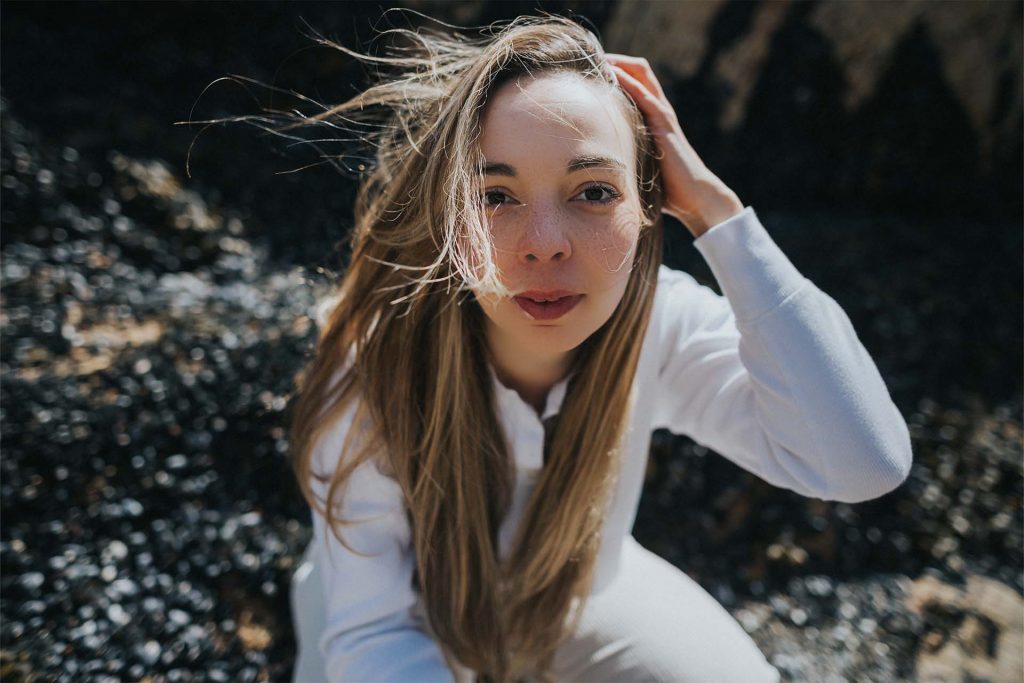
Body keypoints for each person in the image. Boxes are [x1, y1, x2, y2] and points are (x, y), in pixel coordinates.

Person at [282, 12, 913, 683]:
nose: (545, 241)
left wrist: (715, 212)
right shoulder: (379, 362)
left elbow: (861, 461)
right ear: (448, 218)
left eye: (593, 191)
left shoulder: (661, 326)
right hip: (387, 623)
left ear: (648, 205)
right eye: (496, 196)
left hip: (579, 600)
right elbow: (373, 634)